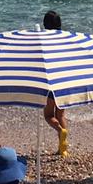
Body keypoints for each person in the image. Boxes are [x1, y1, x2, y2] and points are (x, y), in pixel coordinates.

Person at [38, 10, 70, 156]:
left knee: (48, 115)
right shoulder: (65, 39)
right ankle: (62, 149)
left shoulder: (44, 40)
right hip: (64, 80)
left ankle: (60, 131)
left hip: (51, 81)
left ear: (45, 25)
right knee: (61, 114)